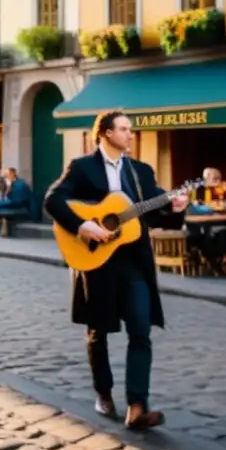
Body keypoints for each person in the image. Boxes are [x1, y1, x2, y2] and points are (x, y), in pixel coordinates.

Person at [45, 111, 187, 431]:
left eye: (131, 130)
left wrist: (175, 206)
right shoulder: (82, 167)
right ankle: (104, 392)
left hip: (134, 262)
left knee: (141, 330)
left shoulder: (140, 171)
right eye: (124, 129)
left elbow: (156, 212)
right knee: (99, 332)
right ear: (107, 134)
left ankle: (137, 405)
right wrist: (83, 226)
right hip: (97, 261)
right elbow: (53, 200)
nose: (130, 134)